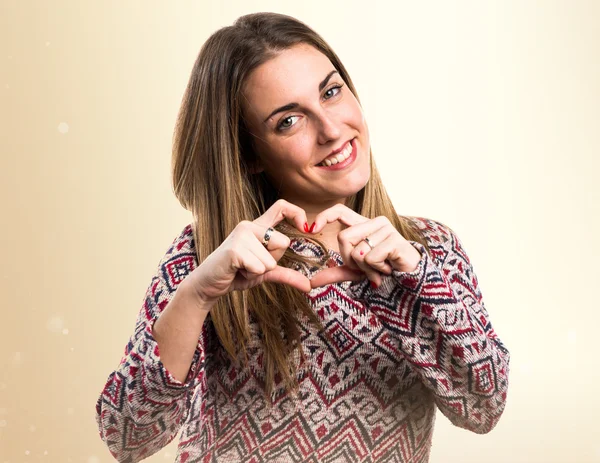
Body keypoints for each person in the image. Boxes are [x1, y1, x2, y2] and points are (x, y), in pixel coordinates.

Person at [95, 12, 510, 463]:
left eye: (331, 92)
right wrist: (197, 295)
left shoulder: (428, 248)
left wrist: (414, 278)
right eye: (288, 121)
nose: (332, 131)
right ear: (248, 155)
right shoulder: (206, 257)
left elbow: (483, 408)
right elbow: (127, 437)